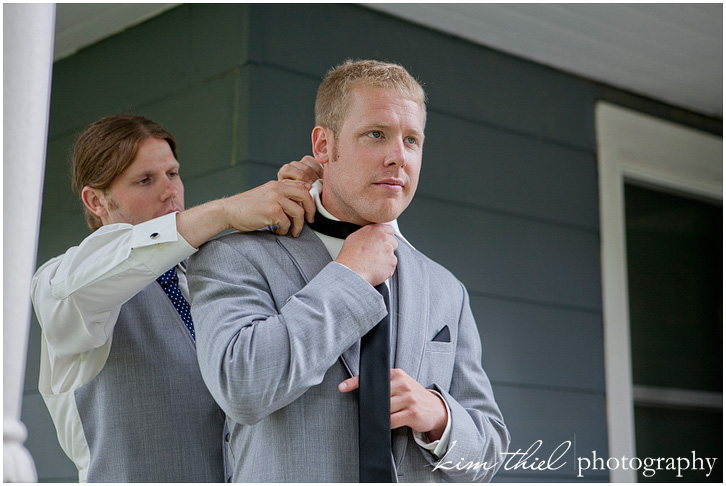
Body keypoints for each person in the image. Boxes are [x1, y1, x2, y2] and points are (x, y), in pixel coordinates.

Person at [188, 60, 509, 482]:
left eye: (411, 140)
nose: (398, 157)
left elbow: (488, 455)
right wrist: (350, 278)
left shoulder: (446, 288)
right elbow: (243, 387)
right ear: (324, 146)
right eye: (376, 134)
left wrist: (439, 414)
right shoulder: (235, 257)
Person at [30, 115, 323, 482]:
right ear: (96, 201)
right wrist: (225, 211)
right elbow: (102, 270)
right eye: (145, 180)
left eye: (172, 173)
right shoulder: (61, 282)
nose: (169, 191)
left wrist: (316, 200)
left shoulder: (215, 275)